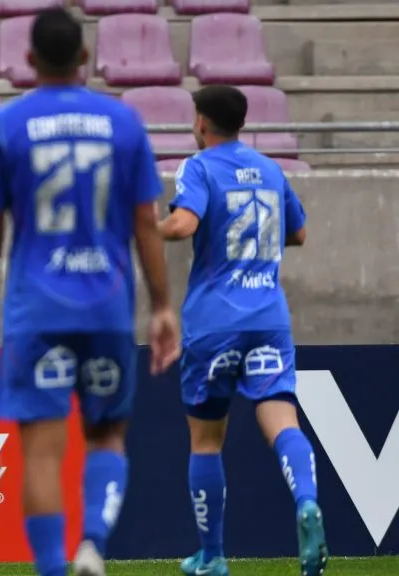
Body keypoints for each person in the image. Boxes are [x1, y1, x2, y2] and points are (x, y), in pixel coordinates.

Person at [0, 8, 181, 576]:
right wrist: (161, 305)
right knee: (107, 434)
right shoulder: (124, 123)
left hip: (35, 310)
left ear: (29, 60)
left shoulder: (6, 126)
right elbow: (144, 222)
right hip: (107, 307)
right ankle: (92, 543)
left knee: (41, 449)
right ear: (85, 56)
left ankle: (52, 570)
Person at [157, 85, 327, 576]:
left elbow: (184, 223)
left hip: (215, 323)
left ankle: (212, 556)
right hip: (269, 319)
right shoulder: (272, 170)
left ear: (202, 122)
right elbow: (298, 233)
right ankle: (307, 501)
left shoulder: (199, 166)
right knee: (283, 421)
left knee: (207, 441)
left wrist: (145, 227)